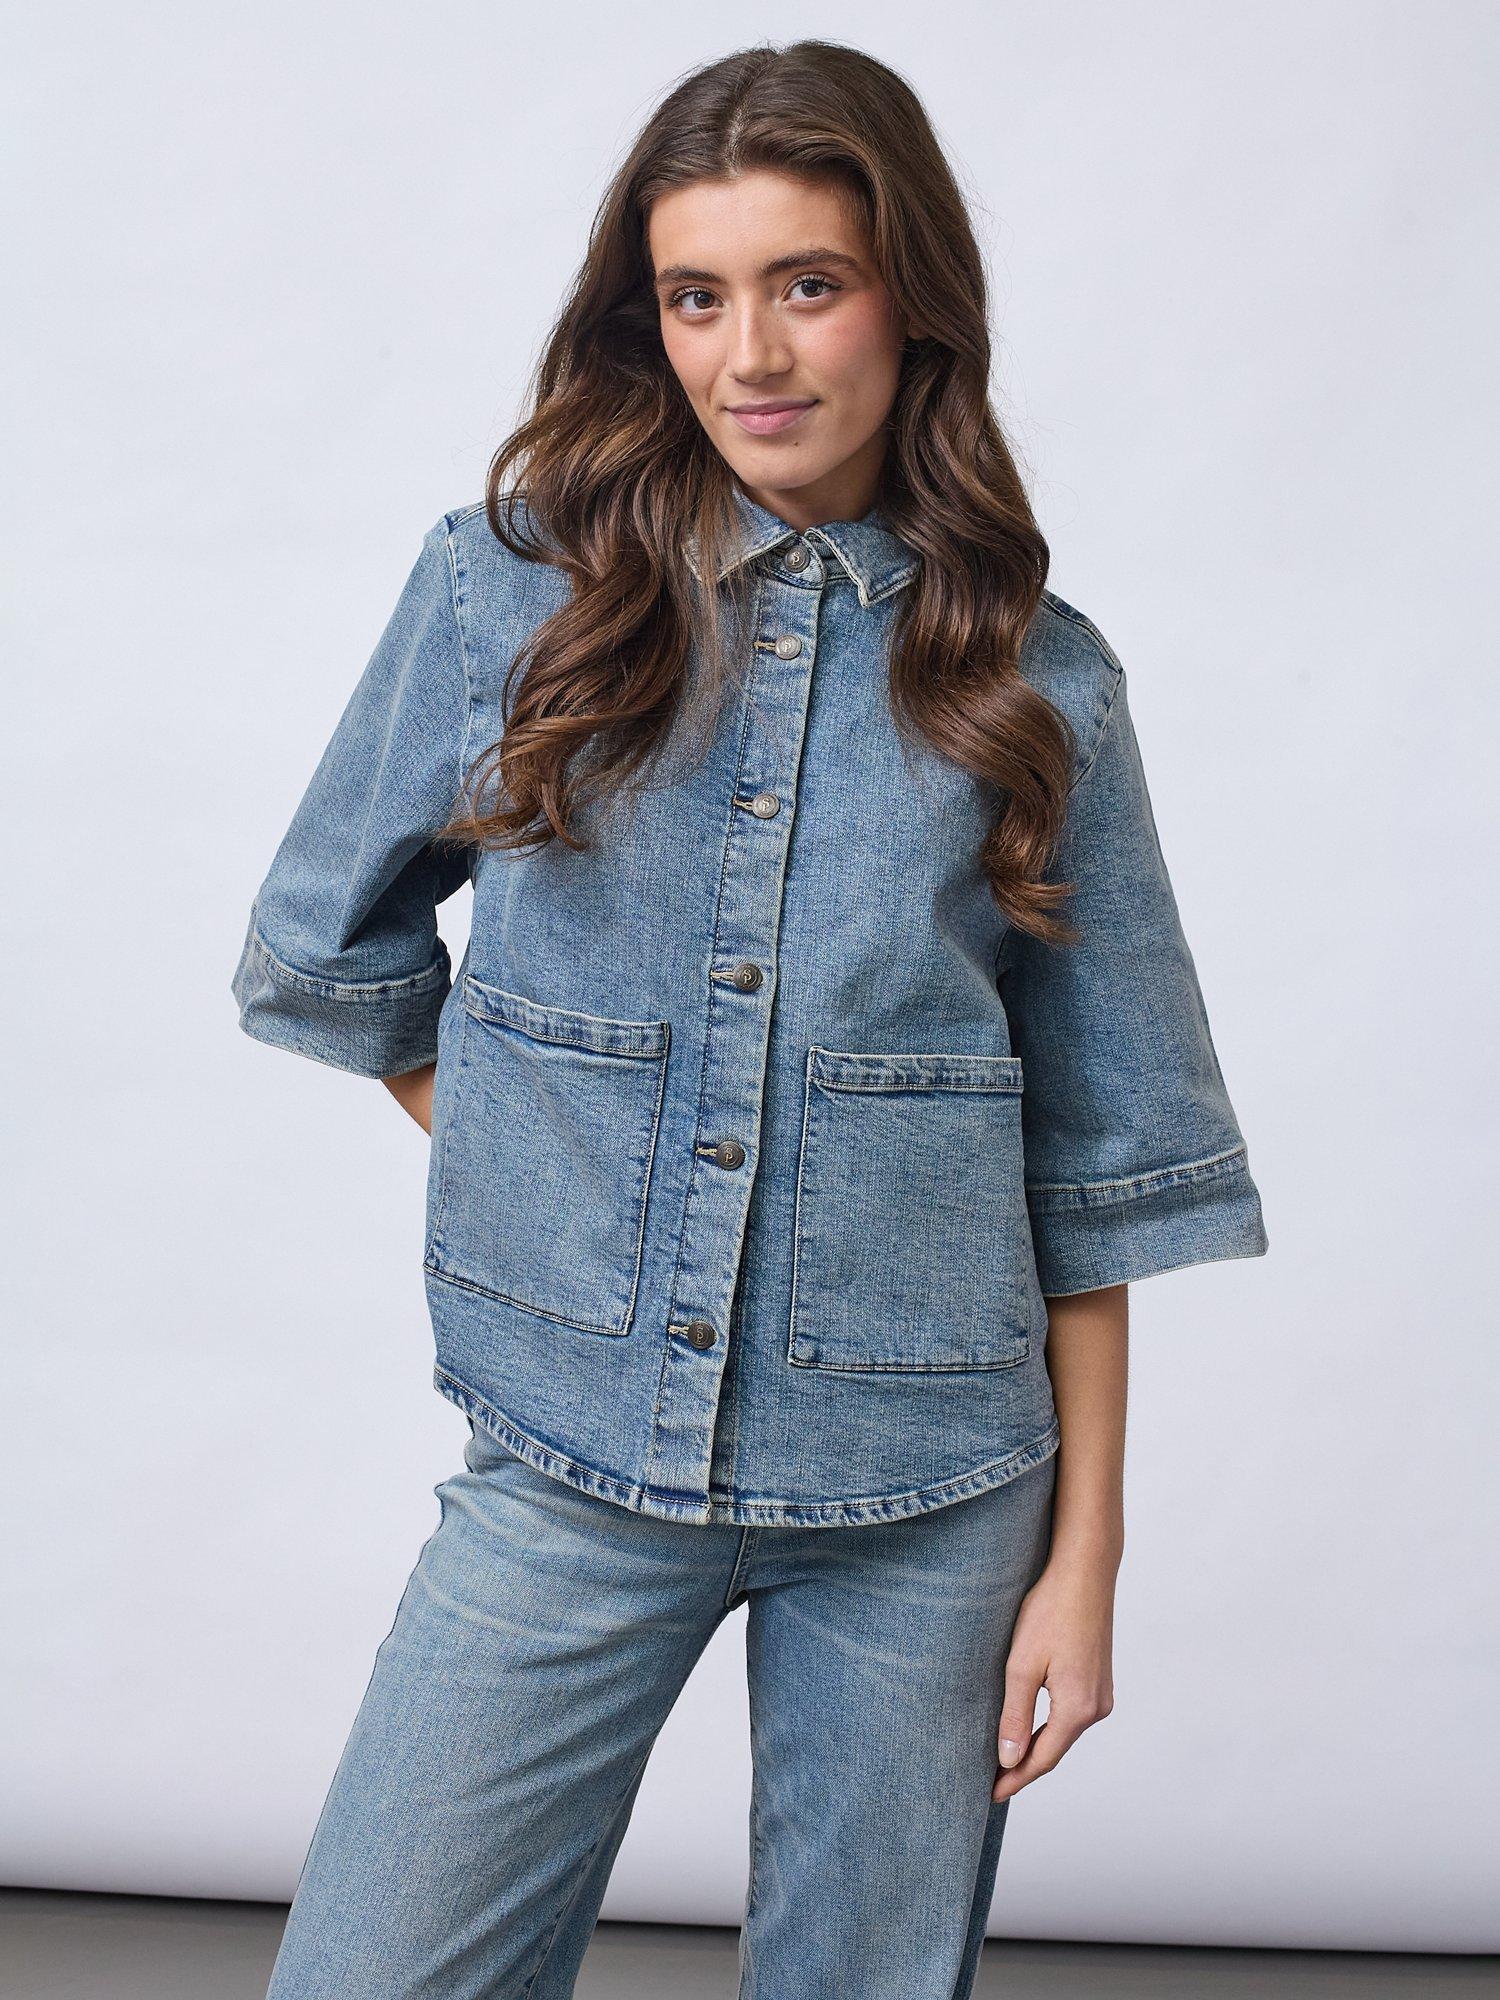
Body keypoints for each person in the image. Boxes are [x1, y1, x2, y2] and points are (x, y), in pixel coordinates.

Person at [231, 38, 1268, 2000]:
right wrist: (570, 1173)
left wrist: (1086, 1564)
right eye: (697, 297)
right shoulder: (507, 597)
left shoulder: (1038, 681)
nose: (753, 354)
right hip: (568, 1446)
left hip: (932, 1497)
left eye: (809, 282)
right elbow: (331, 952)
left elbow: (1097, 1163)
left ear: (911, 301)